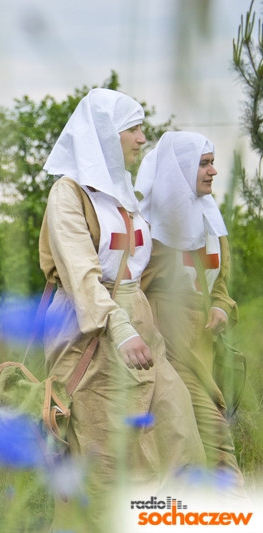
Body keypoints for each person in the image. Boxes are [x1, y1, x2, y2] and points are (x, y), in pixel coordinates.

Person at [39, 89, 205, 530]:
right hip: (90, 331)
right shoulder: (68, 193)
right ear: (105, 135)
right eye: (133, 128)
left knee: (176, 432)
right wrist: (119, 327)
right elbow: (80, 274)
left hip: (141, 329)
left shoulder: (124, 195)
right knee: (106, 453)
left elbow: (141, 266)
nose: (142, 138)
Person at [136, 131, 244, 492]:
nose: (213, 171)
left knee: (189, 456)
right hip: (171, 354)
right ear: (180, 169)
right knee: (217, 445)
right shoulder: (151, 229)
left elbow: (221, 285)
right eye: (203, 163)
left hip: (206, 350)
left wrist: (220, 306)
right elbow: (130, 289)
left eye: (213, 162)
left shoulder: (213, 221)